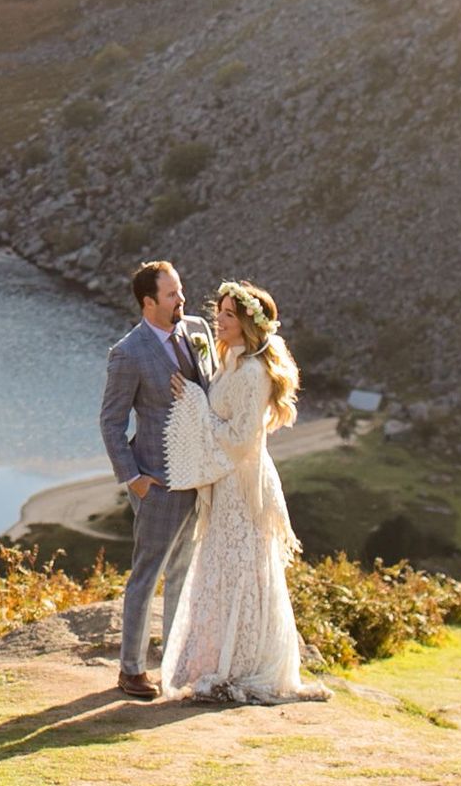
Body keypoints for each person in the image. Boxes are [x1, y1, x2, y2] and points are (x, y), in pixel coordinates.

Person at [156, 280, 328, 705]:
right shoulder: (230, 360)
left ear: (249, 323)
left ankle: (243, 665)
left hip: (244, 485)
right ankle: (217, 659)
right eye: (222, 311)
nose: (220, 319)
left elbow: (240, 437)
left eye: (229, 314)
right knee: (221, 571)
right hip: (225, 481)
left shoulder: (253, 373)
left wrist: (196, 402)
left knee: (243, 571)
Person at [97, 258, 213, 699]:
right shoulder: (128, 352)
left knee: (184, 573)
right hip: (157, 483)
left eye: (180, 291)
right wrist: (134, 480)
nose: (181, 299)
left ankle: (175, 662)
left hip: (198, 480)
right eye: (171, 294)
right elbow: (110, 422)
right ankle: (130, 670)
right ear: (149, 303)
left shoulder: (196, 331)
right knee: (147, 576)